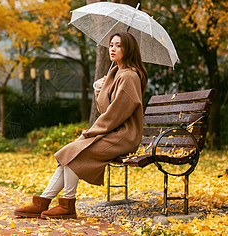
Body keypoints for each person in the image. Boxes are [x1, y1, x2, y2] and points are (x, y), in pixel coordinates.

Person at [14, 32, 148, 219]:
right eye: (111, 45)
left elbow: (115, 115)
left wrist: (89, 133)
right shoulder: (115, 73)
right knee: (71, 152)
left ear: (128, 49)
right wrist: (98, 88)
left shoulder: (129, 76)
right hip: (112, 131)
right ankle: (43, 202)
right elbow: (104, 109)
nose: (113, 49)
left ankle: (67, 204)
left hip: (124, 135)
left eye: (118, 45)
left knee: (75, 153)